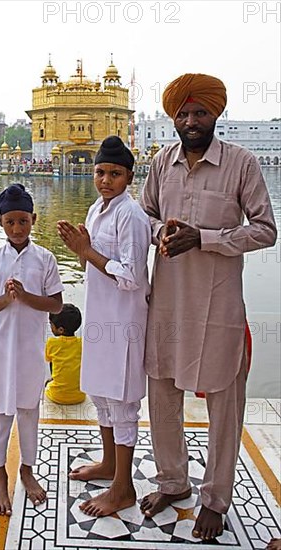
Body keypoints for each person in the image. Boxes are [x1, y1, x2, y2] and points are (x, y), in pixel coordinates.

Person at [139, 73, 277, 540]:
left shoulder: (241, 164)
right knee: (161, 394)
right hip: (167, 304)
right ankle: (173, 482)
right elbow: (145, 216)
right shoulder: (161, 163)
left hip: (218, 307)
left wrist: (207, 239)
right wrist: (162, 233)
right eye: (183, 113)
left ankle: (216, 498)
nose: (191, 121)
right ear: (173, 118)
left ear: (215, 115)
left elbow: (265, 229)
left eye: (200, 113)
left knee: (224, 401)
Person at [57, 136, 151, 517]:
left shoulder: (132, 214)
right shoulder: (98, 209)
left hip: (124, 322)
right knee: (102, 396)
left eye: (114, 173)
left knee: (123, 402)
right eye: (100, 172)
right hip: (99, 316)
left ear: (129, 176)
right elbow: (90, 264)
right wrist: (83, 251)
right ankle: (110, 464)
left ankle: (123, 488)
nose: (105, 179)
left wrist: (87, 252)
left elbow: (131, 276)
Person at [0, 183, 64, 516]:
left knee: (29, 413)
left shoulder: (45, 259)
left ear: (34, 219)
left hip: (29, 351)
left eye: (23, 221)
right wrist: (7, 298)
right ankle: (0, 476)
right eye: (10, 222)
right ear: (0, 222)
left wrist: (26, 296)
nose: (17, 228)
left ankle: (27, 470)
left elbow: (56, 305)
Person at [45, 303, 85, 405]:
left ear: (60, 329)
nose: (50, 327)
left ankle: (54, 381)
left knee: (46, 385)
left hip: (57, 396)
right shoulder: (82, 343)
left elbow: (50, 361)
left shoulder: (52, 343)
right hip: (80, 396)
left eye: (51, 324)